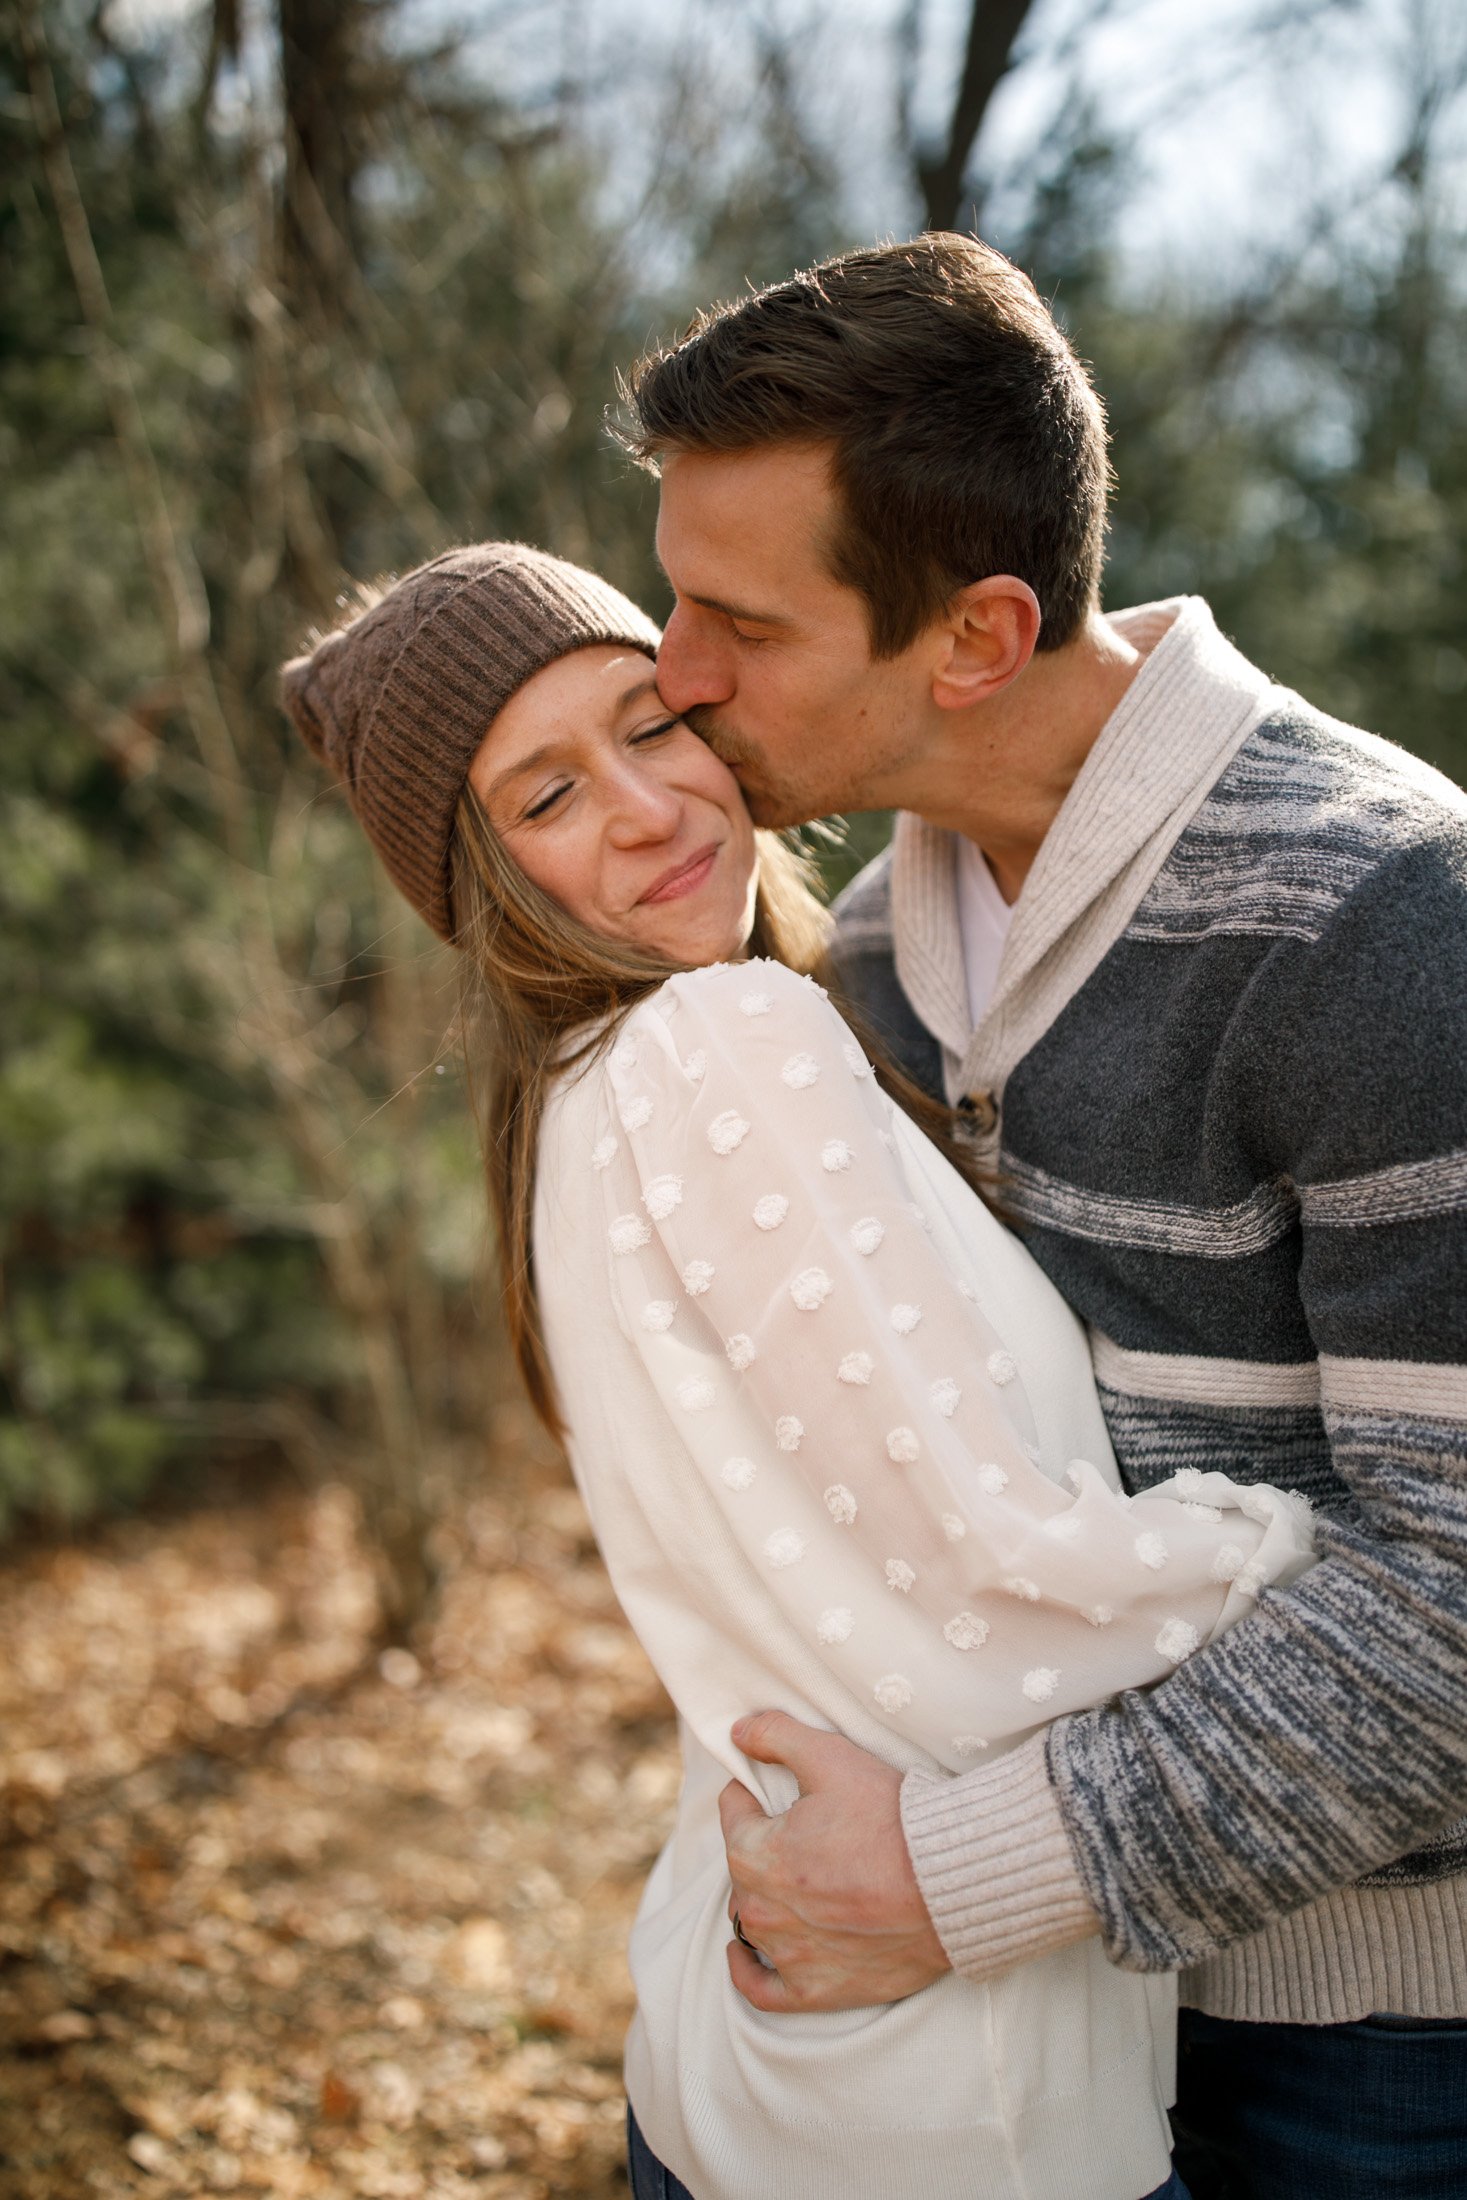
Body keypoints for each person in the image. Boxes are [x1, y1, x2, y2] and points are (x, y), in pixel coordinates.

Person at [280, 541, 1317, 2200]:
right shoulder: (722, 1047)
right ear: (479, 881)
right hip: (946, 2107)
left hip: (769, 2058)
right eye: (545, 798)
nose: (642, 807)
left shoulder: (590, 1086)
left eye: (650, 724)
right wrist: (1320, 1551)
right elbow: (1008, 1583)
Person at [616, 231, 1467, 2197]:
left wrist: (956, 1871)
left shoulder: (1380, 919)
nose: (670, 677)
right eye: (672, 595)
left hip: (1364, 2046)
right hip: (1022, 2001)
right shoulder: (873, 948)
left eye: (737, 622)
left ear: (975, 638)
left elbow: (1453, 1588)